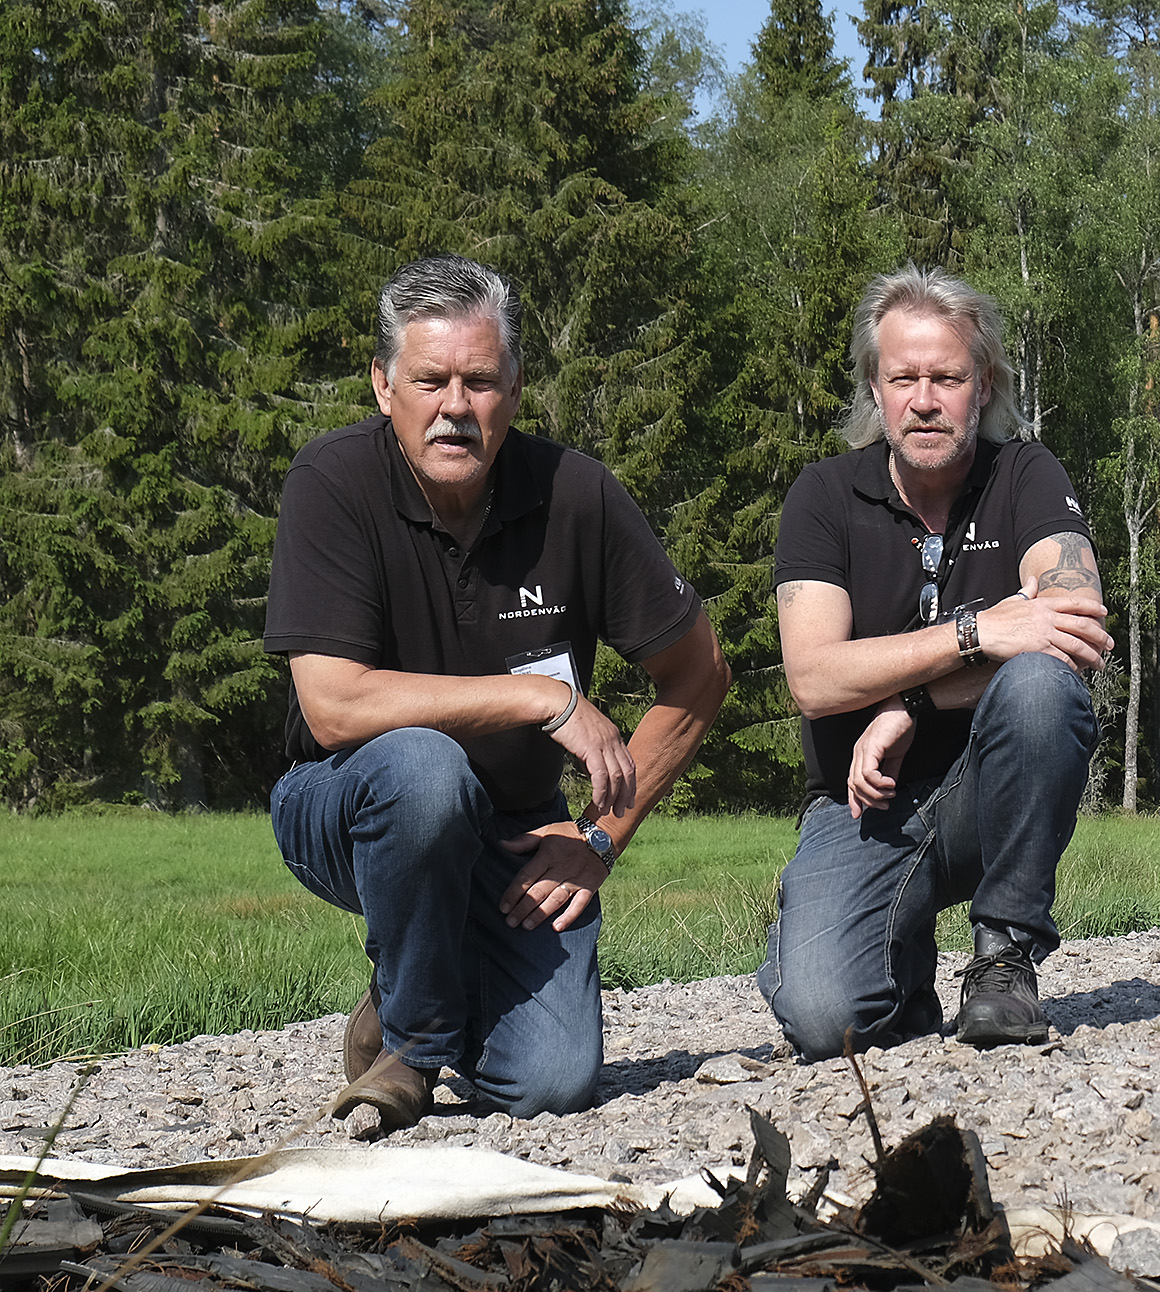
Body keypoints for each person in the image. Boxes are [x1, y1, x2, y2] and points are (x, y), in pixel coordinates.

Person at [264, 255, 731, 1132]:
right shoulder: (331, 482)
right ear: (382, 386)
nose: (455, 406)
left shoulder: (578, 495)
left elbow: (701, 673)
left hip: (514, 830)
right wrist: (537, 699)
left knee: (550, 1083)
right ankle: (412, 1048)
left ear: (515, 389)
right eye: (429, 380)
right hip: (342, 803)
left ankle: (405, 982)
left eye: (479, 381)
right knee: (424, 770)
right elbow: (333, 706)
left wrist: (601, 836)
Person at [758, 266, 1110, 1057]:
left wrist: (909, 703)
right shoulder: (822, 497)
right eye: (903, 378)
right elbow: (814, 680)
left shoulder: (1027, 474)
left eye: (946, 378)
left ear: (982, 386)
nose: (924, 400)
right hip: (861, 805)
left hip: (991, 791)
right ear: (874, 389)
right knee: (827, 1018)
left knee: (1041, 687)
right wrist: (976, 632)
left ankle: (1003, 959)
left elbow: (1074, 634)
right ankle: (899, 960)